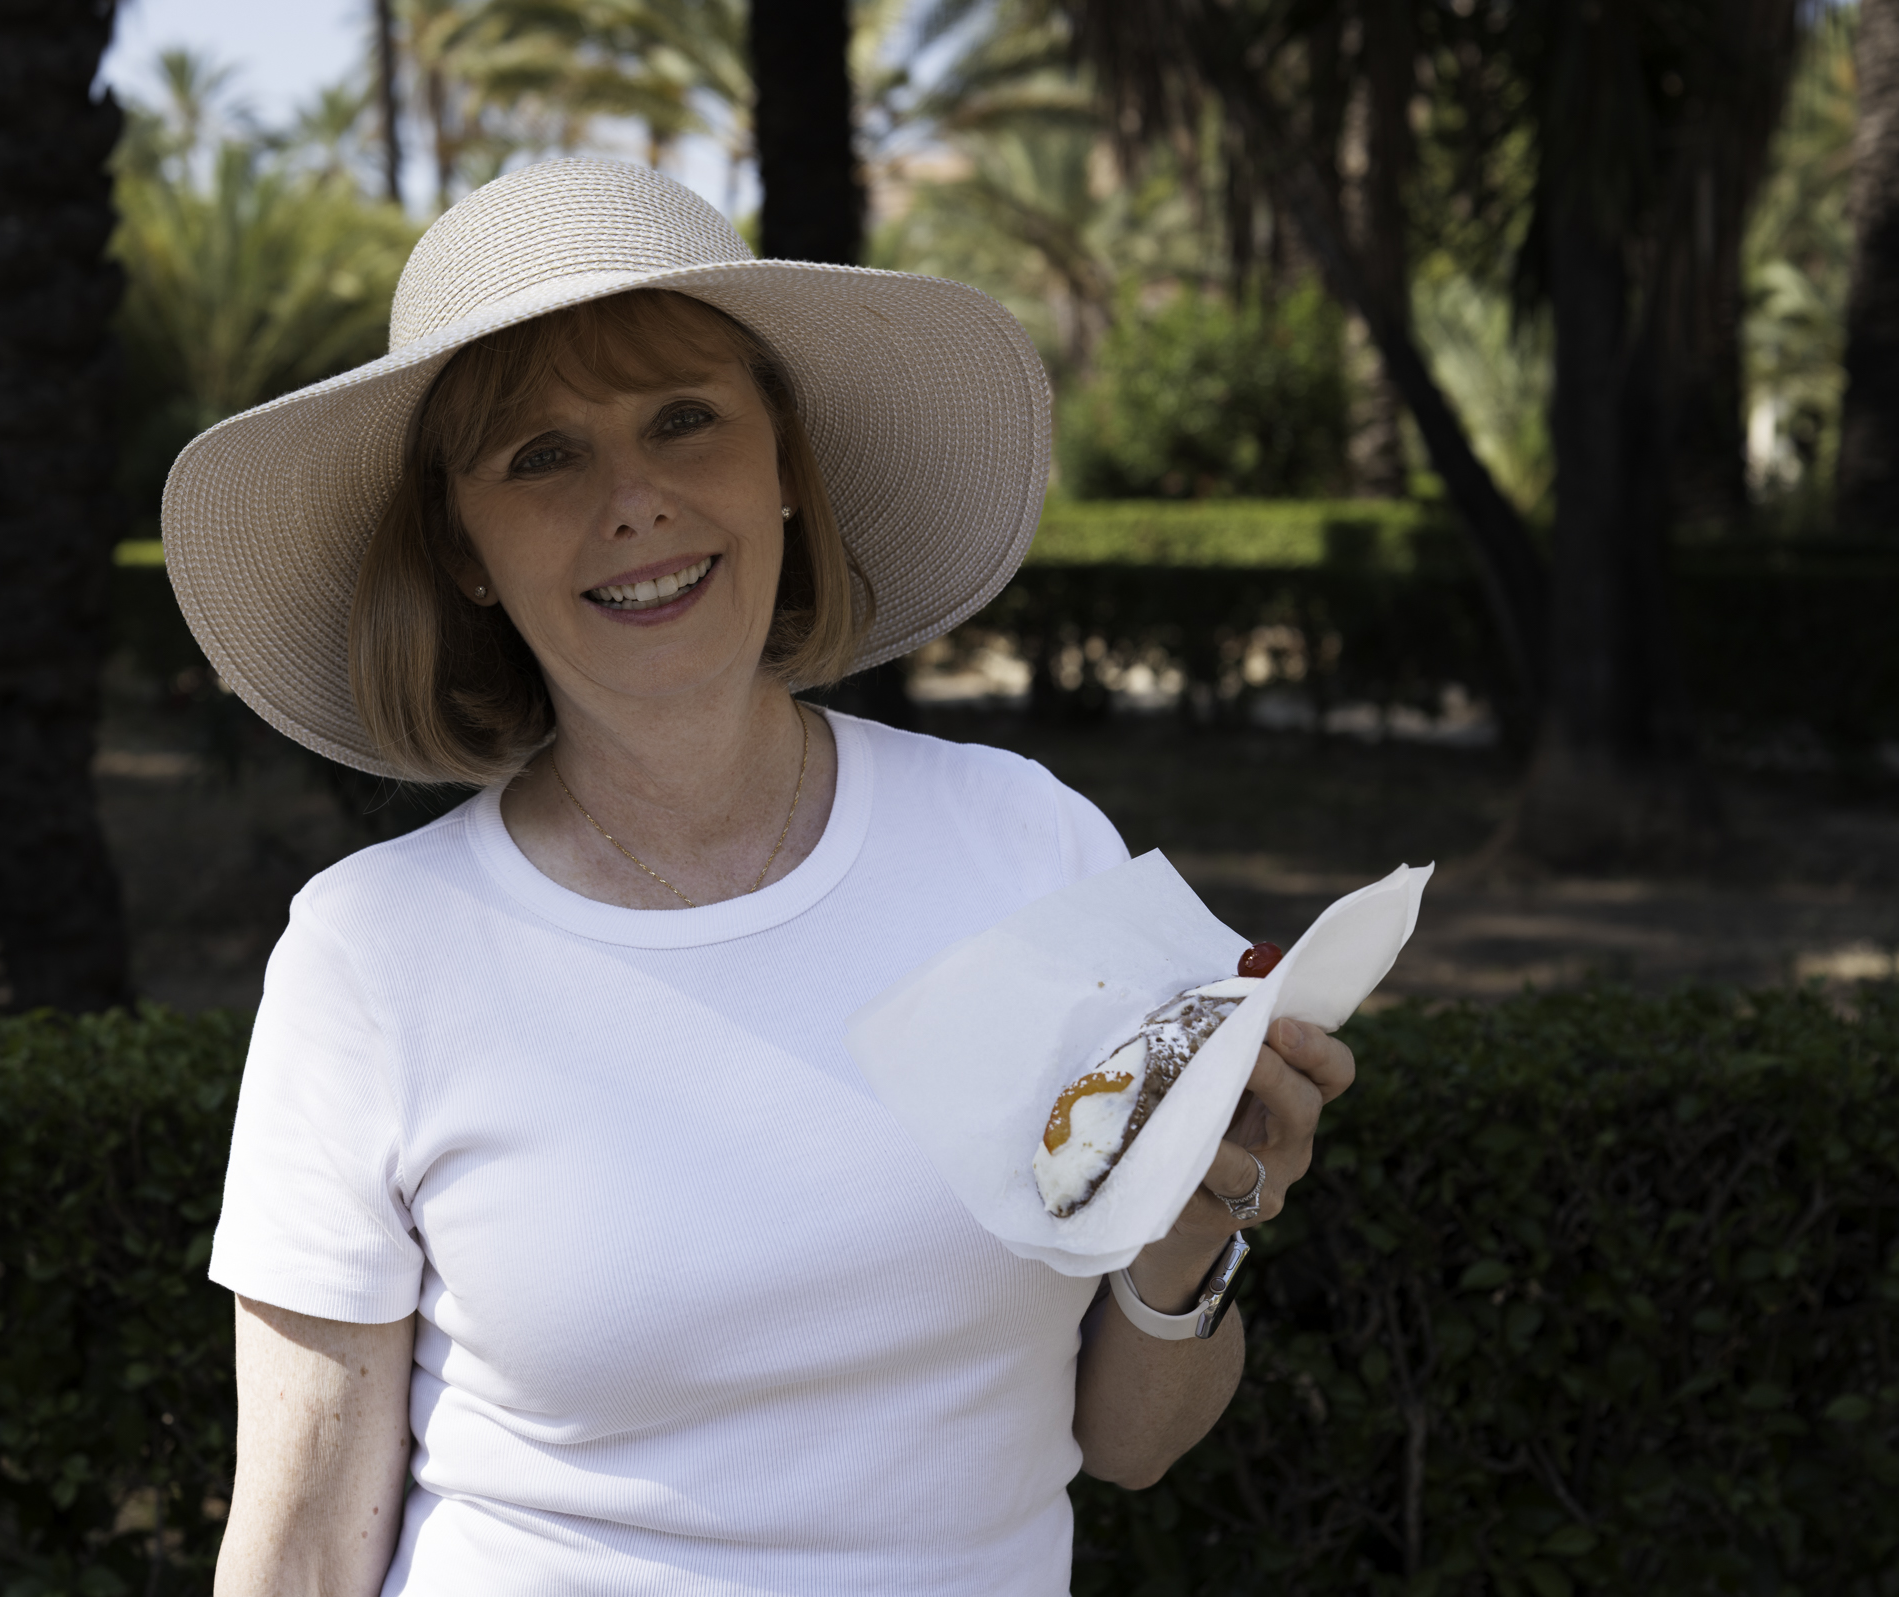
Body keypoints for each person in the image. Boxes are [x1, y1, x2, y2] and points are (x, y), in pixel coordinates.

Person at [163, 158, 1356, 1597]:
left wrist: (1202, 1209)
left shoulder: (1026, 849)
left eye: (684, 419)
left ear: (783, 463)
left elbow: (1131, 1440)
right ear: (462, 551)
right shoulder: (372, 954)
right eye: (541, 455)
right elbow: (295, 1546)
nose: (635, 499)